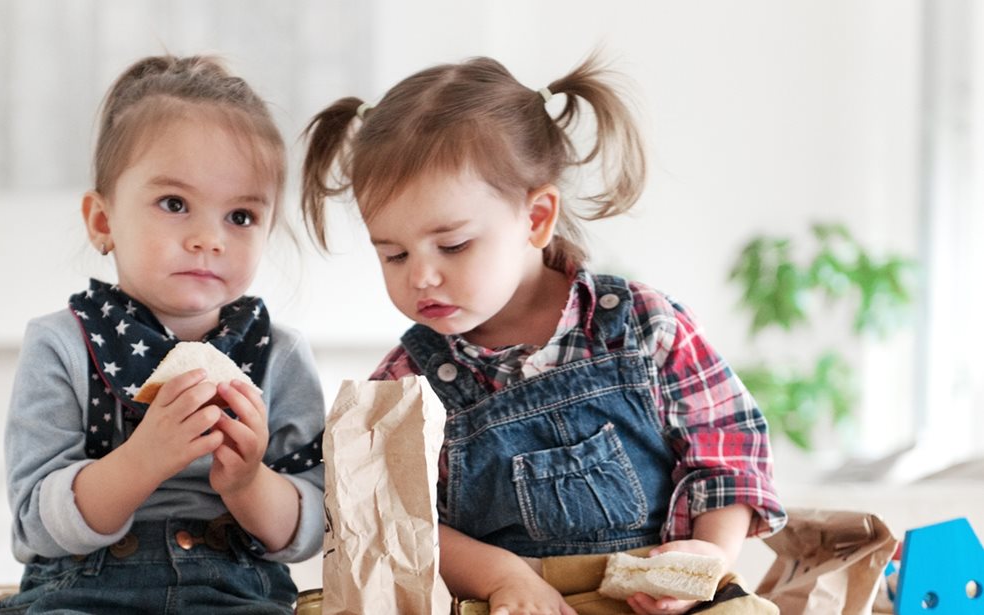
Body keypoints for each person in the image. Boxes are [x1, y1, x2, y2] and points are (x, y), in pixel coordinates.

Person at [300, 55, 787, 615]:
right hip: (509, 602)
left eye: (453, 245)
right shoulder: (402, 383)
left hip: (654, 600)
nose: (421, 276)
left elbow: (728, 452)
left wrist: (708, 556)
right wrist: (502, 576)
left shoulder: (643, 325)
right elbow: (391, 521)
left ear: (535, 218)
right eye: (393, 253)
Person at [0, 55, 325, 615]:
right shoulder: (62, 345)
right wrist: (143, 459)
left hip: (236, 592)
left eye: (241, 216)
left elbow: (313, 525)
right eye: (175, 204)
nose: (207, 238)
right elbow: (37, 523)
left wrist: (248, 482)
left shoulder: (280, 356)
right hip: (84, 590)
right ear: (103, 222)